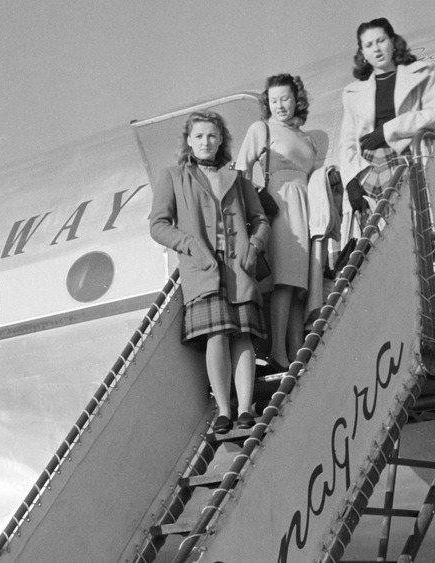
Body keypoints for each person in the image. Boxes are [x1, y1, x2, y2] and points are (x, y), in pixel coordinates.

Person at [150, 111, 271, 433]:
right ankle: (223, 409)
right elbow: (158, 225)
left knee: (243, 335)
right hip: (203, 267)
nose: (206, 142)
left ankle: (245, 408)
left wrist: (253, 248)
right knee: (216, 335)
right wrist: (190, 245)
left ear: (221, 140)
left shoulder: (238, 177)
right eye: (200, 136)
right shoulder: (173, 176)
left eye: (213, 136)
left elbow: (260, 219)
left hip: (238, 266)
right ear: (189, 141)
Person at [236, 74, 327, 371]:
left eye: (285, 98)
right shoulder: (262, 128)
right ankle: (278, 351)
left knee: (299, 283)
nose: (280, 105)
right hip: (282, 204)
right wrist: (254, 203)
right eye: (273, 100)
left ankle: (295, 349)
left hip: (306, 205)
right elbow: (242, 169)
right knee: (285, 280)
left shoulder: (306, 138)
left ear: (296, 99)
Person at [339, 18, 435, 217]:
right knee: (387, 238)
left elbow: (432, 114)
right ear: (363, 53)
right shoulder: (353, 93)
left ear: (392, 41)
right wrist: (350, 181)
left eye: (381, 40)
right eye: (369, 45)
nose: (377, 49)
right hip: (370, 173)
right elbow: (347, 141)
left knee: (419, 228)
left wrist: (387, 130)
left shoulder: (420, 75)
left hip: (412, 159)